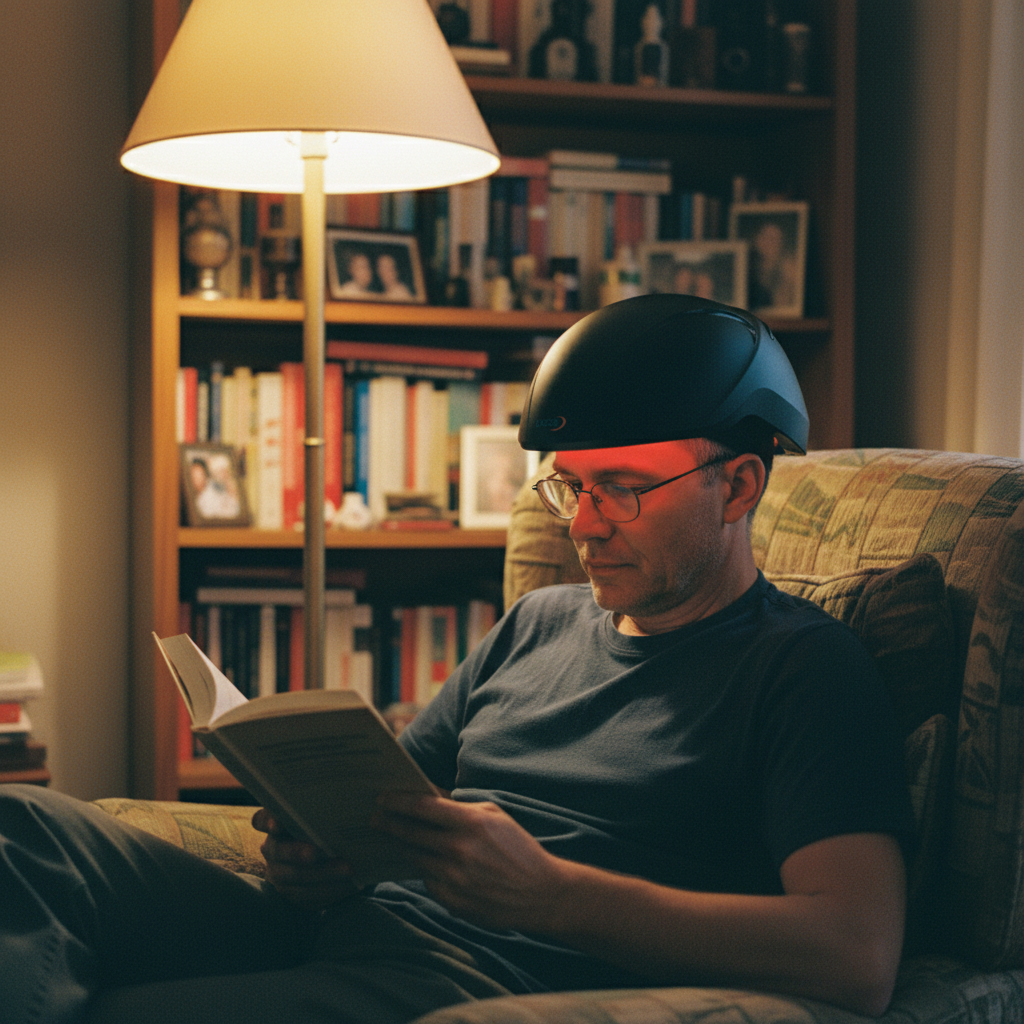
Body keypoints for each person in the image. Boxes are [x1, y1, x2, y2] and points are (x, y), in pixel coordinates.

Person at [0, 294, 913, 1024]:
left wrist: (553, 896)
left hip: (477, 981)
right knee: (25, 828)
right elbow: (396, 815)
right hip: (338, 925)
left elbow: (856, 956)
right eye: (569, 487)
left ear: (739, 485)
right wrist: (324, 853)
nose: (585, 526)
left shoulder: (802, 668)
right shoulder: (536, 624)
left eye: (624, 491)